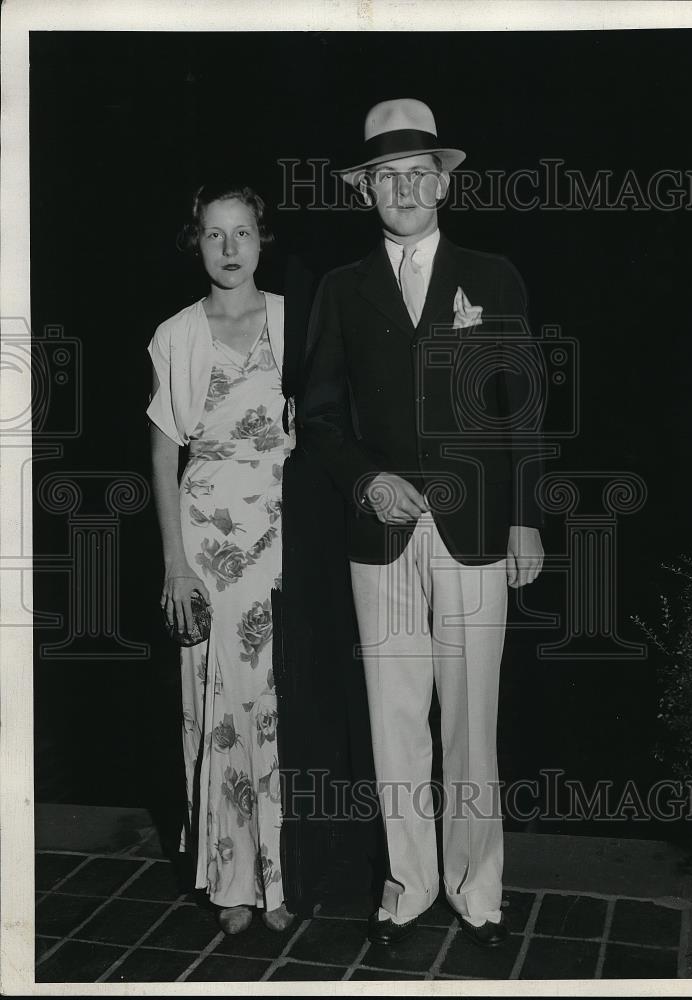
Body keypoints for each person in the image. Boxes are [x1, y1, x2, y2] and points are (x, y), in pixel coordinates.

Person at [299, 99, 545, 948]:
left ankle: (478, 892)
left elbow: (523, 410)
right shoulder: (341, 289)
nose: (402, 190)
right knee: (393, 719)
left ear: (442, 184)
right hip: (382, 536)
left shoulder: (492, 276)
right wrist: (366, 481)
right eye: (385, 177)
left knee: (471, 720)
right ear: (365, 191)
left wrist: (525, 520)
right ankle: (405, 889)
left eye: (417, 174)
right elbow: (318, 417)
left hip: (477, 529)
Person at [147, 181, 296, 935]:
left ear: (262, 238)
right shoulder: (175, 335)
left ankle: (284, 875)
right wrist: (175, 565)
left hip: (285, 538)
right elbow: (163, 455)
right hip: (207, 542)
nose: (230, 248)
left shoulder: (295, 319)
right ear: (196, 242)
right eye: (214, 234)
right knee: (217, 709)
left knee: (281, 705)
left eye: (242, 233)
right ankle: (231, 881)